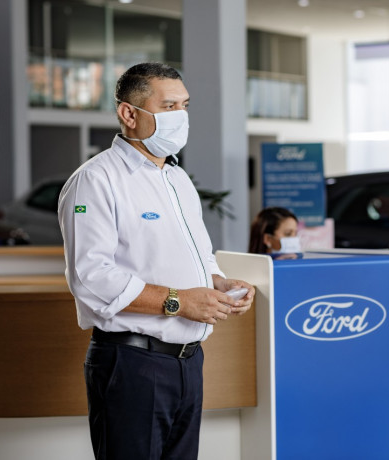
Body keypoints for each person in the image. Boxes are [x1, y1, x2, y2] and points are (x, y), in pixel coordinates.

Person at [57, 62, 255, 460]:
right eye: (168, 107)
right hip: (132, 364)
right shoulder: (96, 180)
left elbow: (197, 255)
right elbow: (91, 277)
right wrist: (181, 301)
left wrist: (217, 283)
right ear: (129, 113)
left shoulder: (177, 179)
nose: (180, 117)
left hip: (187, 364)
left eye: (184, 105)